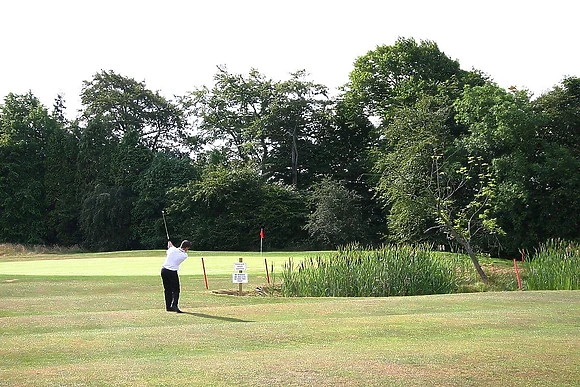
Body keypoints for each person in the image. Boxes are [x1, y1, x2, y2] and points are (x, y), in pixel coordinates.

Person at [161, 240, 191, 313]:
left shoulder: (172, 249)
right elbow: (178, 250)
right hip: (172, 272)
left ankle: (168, 306)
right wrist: (171, 246)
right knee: (176, 289)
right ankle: (174, 305)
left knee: (167, 289)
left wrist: (170, 245)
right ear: (186, 248)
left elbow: (171, 249)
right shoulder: (184, 255)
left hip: (164, 270)